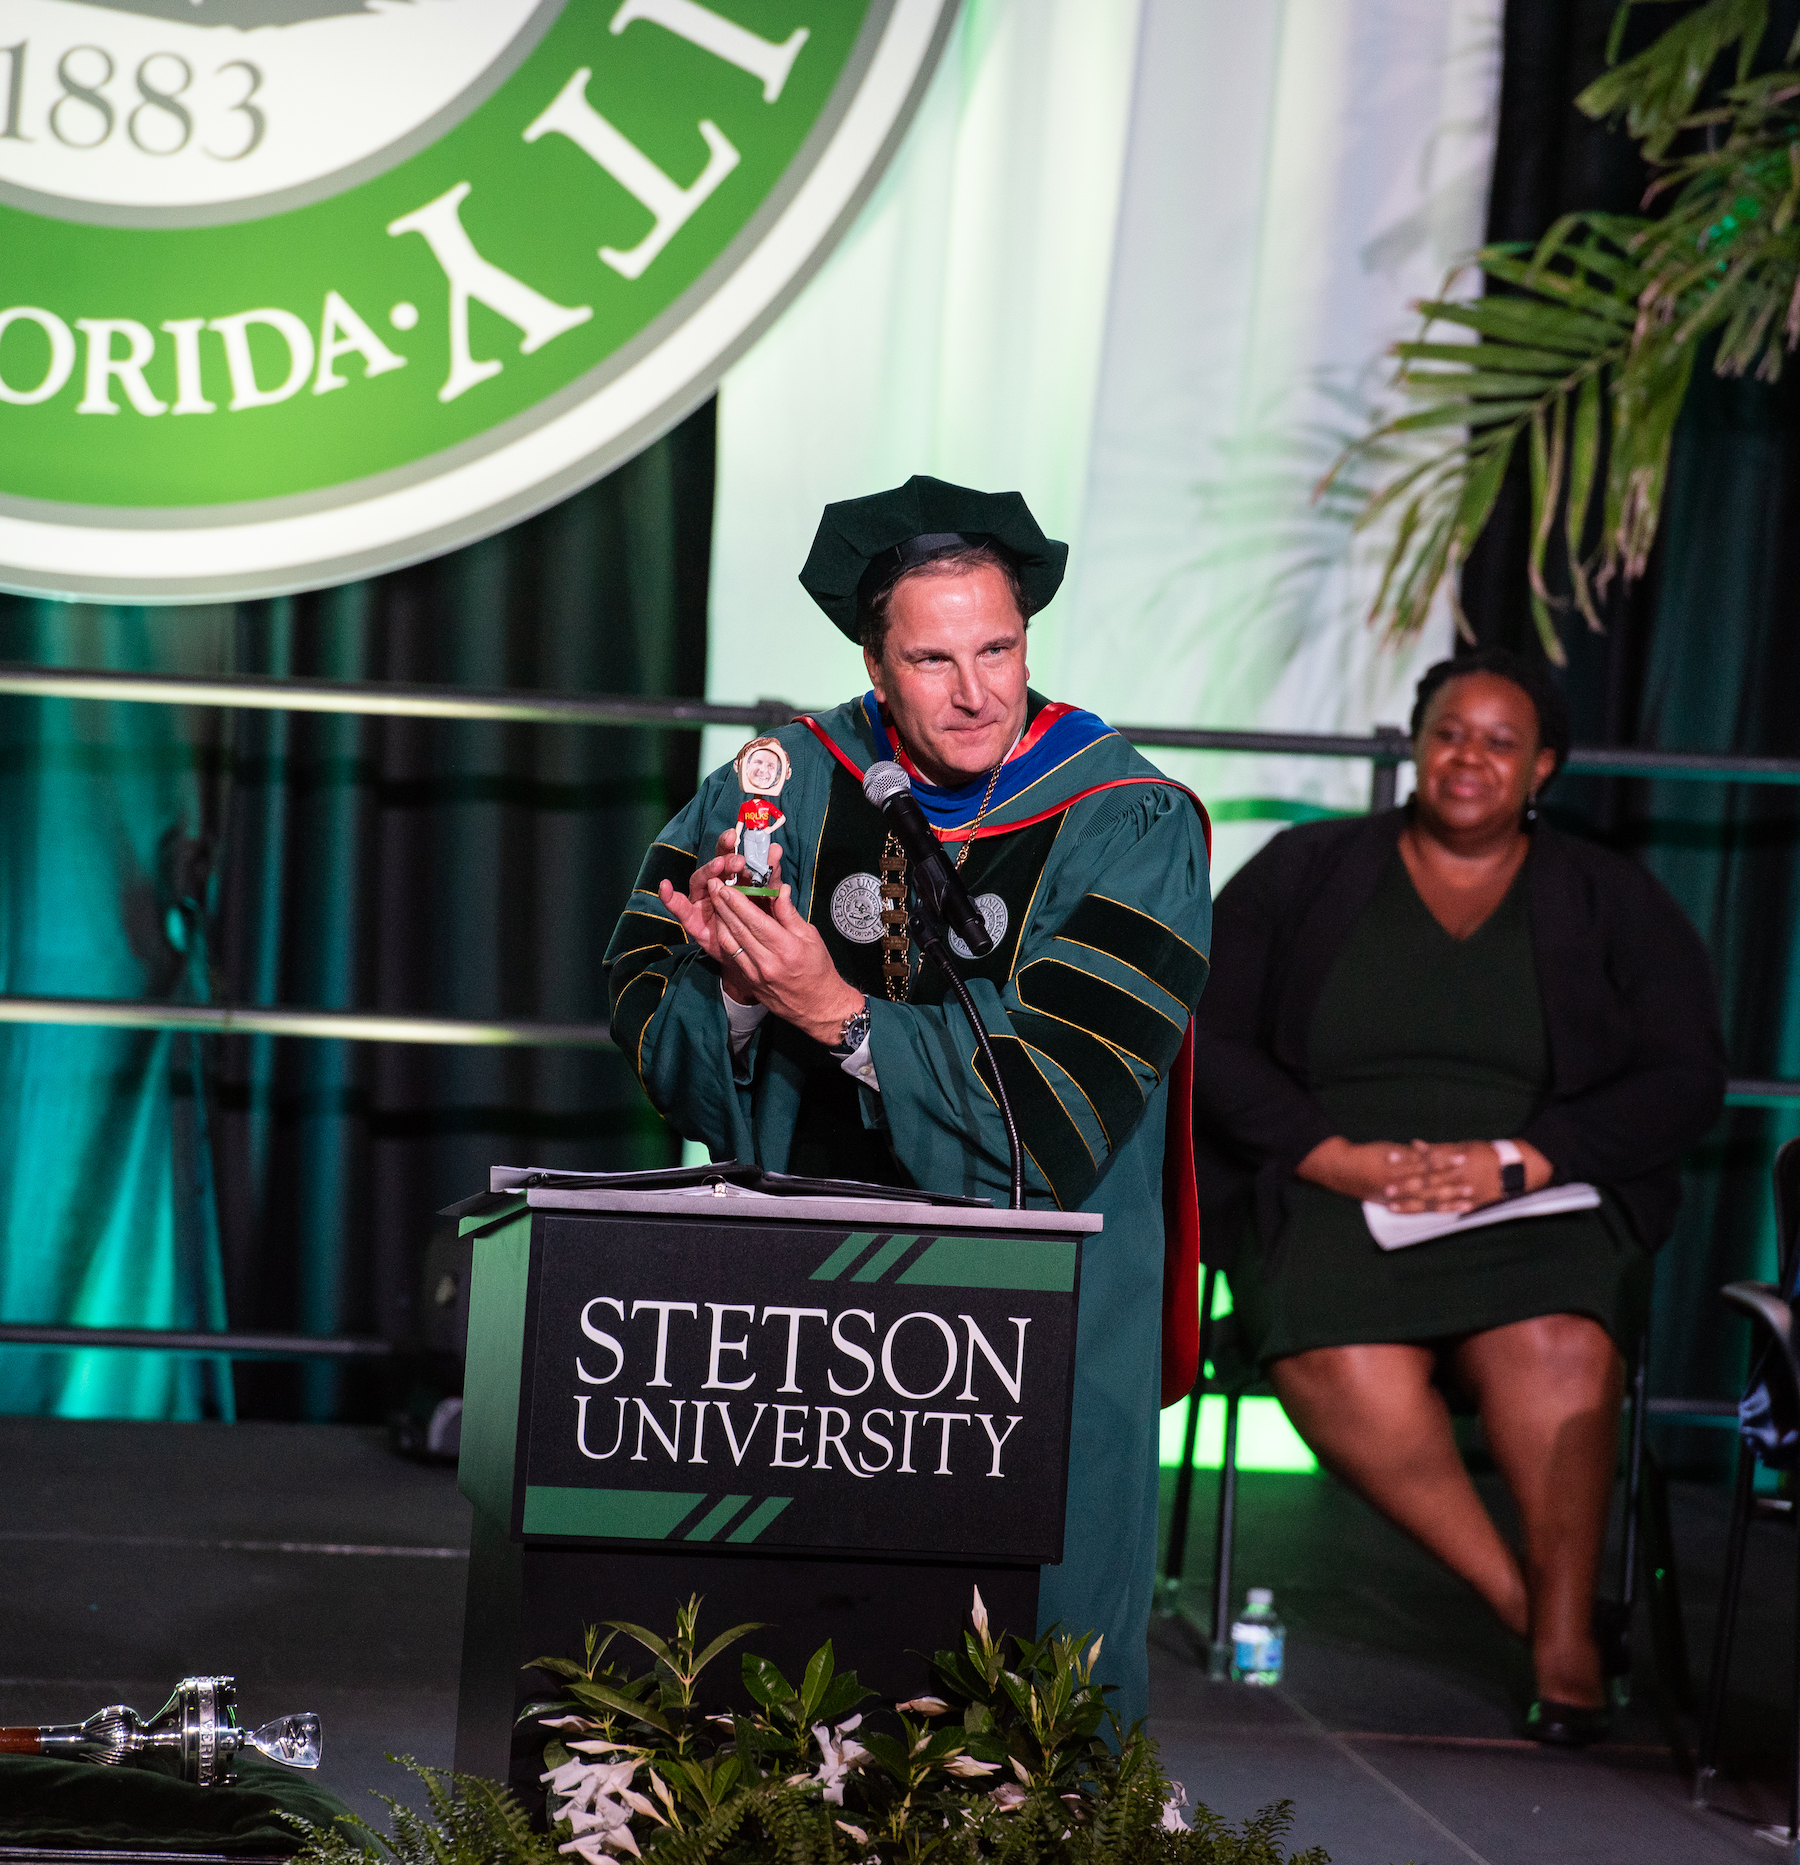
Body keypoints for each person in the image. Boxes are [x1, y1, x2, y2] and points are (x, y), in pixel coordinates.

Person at [604, 476, 1213, 1724]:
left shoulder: (1126, 817)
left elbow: (1059, 1101)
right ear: (877, 668)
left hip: (1043, 1320)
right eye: (933, 660)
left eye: (999, 647)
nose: (976, 689)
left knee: (1031, 1683)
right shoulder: (782, 786)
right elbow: (639, 987)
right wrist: (730, 986)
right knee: (797, 1657)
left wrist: (832, 1008)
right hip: (811, 1308)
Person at [1191, 646, 1726, 1744]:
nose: (1467, 756)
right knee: (1335, 1348)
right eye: (1447, 731)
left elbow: (1686, 1074)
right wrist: (1327, 1151)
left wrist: (1522, 1159)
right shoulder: (1305, 868)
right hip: (1336, 1186)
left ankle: (1565, 1638)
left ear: (1543, 767)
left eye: (1498, 739)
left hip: (1532, 1194)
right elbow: (1206, 1030)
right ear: (1415, 746)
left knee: (1562, 1344)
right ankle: (1539, 1612)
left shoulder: (1609, 895)